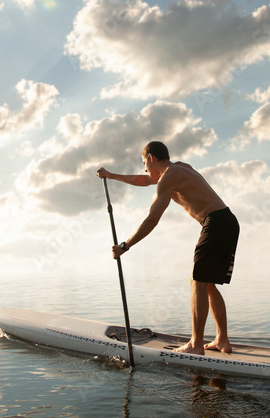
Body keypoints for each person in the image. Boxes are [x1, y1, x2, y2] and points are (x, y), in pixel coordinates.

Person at [96, 141, 239, 355]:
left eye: (145, 162)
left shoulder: (169, 177)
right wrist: (112, 175)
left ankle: (195, 345)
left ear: (151, 158)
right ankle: (222, 340)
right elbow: (144, 179)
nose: (145, 168)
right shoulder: (181, 168)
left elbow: (152, 219)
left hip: (215, 223)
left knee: (197, 281)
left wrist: (126, 245)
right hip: (228, 222)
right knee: (206, 283)